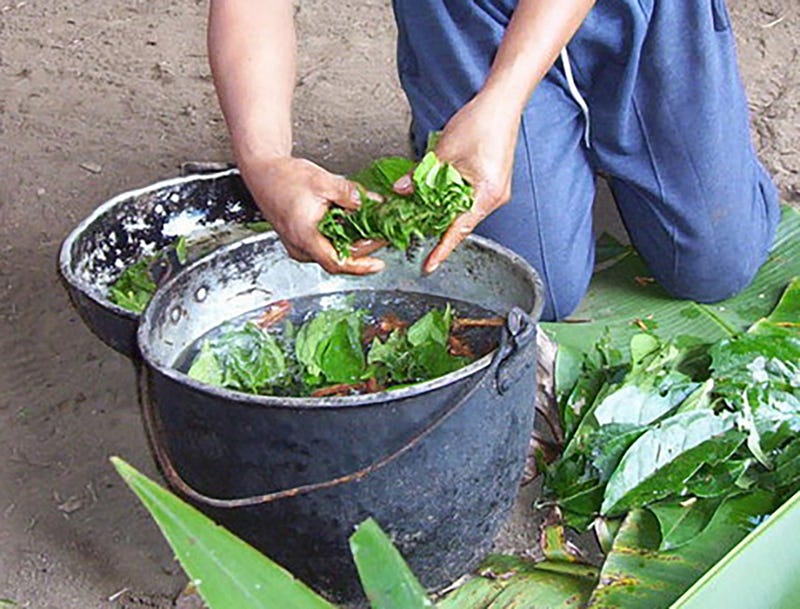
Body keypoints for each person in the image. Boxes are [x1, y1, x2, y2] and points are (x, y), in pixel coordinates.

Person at [207, 0, 779, 322]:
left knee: (716, 263)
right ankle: (475, 115)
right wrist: (264, 161)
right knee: (535, 288)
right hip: (465, 15)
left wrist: (504, 99)